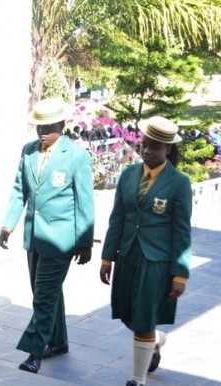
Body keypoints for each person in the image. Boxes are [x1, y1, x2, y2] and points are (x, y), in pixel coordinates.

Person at [0, 97, 95, 374]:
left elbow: (85, 201)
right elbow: (20, 190)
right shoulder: (28, 151)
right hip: (34, 237)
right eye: (38, 126)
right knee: (48, 293)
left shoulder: (76, 156)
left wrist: (85, 242)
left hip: (62, 238)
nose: (42, 131)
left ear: (62, 125)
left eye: (49, 126)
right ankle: (59, 341)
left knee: (43, 297)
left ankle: (35, 352)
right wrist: (8, 224)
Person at [99, 116, 192, 386]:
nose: (147, 151)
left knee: (143, 317)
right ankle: (155, 340)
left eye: (154, 147)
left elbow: (182, 231)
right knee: (127, 313)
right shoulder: (128, 175)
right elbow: (117, 219)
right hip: (128, 255)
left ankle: (137, 379)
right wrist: (107, 257)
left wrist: (180, 274)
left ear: (168, 150)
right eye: (144, 145)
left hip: (157, 261)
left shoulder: (179, 182)